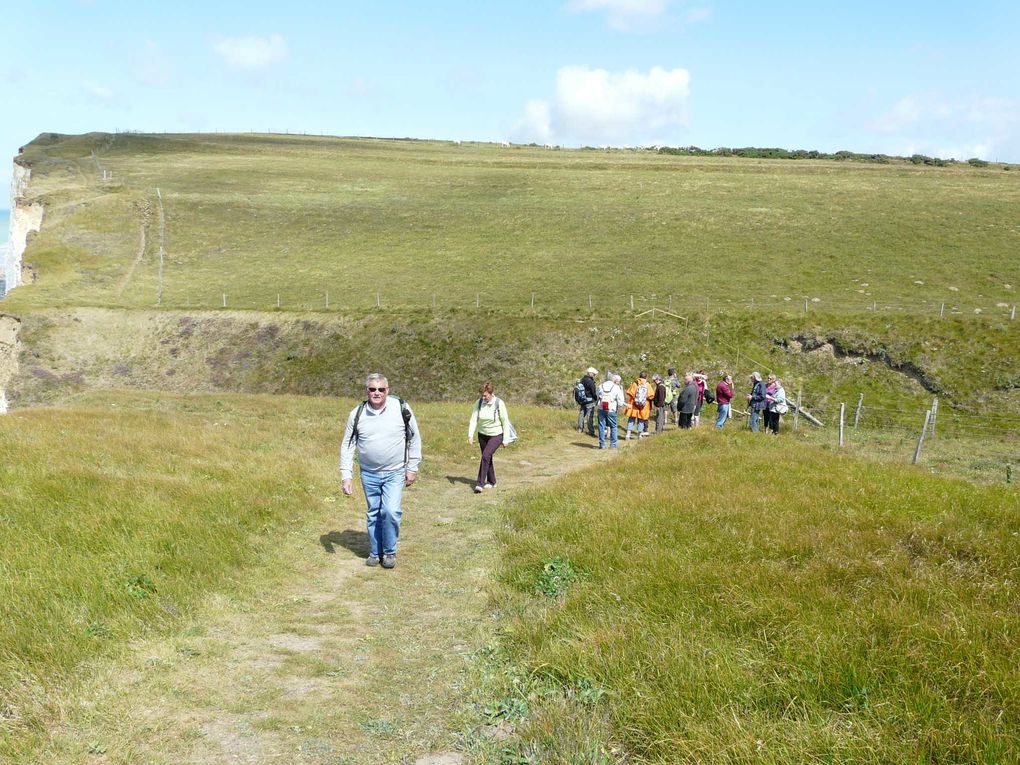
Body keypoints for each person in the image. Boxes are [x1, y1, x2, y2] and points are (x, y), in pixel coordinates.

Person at [340, 373, 422, 569]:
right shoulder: (357, 413)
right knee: (374, 513)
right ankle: (376, 552)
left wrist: (412, 467)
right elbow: (347, 445)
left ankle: (390, 552)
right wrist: (346, 475)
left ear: (388, 391)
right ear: (367, 391)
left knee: (391, 511)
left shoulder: (401, 408)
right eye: (372, 389)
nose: (376, 393)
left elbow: (414, 438)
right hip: (368, 473)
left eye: (381, 389)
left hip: (395, 472)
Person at [468, 381, 511, 492]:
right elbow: (474, 419)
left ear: (491, 393)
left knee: (485, 456)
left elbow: (505, 421)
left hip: (496, 435)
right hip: (482, 434)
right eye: (482, 395)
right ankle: (492, 482)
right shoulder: (478, 403)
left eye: (485, 395)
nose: (483, 397)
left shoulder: (499, 403)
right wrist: (470, 435)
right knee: (487, 458)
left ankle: (479, 484)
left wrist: (506, 439)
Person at [596, 372, 625, 449]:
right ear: (613, 379)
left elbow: (597, 396)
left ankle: (602, 444)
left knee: (601, 425)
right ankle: (613, 445)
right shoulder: (616, 387)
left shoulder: (600, 386)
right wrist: (619, 406)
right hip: (612, 408)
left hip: (601, 407)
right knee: (613, 426)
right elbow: (621, 400)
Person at [625, 371, 653, 439]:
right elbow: (651, 396)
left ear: (639, 376)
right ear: (646, 377)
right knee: (641, 419)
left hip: (633, 404)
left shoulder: (635, 383)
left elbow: (629, 393)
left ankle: (628, 435)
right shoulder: (647, 385)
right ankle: (639, 435)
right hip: (644, 405)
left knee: (631, 419)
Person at [577, 366, 599, 437]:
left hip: (582, 400)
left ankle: (580, 429)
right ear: (590, 373)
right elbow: (593, 392)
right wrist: (596, 399)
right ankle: (591, 431)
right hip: (590, 401)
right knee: (590, 416)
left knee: (581, 414)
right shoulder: (591, 382)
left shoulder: (582, 379)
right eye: (594, 374)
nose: (594, 375)